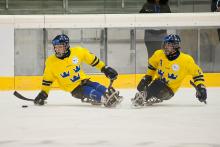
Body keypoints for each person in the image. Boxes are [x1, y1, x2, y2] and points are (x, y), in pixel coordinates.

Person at [34, 34, 123, 107]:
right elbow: (47, 80)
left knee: (97, 85)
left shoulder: (78, 51)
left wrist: (104, 68)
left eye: (60, 47)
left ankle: (109, 94)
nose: (57, 50)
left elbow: (93, 60)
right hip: (75, 89)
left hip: (85, 81)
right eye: (56, 47)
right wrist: (43, 93)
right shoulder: (51, 62)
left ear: (66, 46)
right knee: (90, 91)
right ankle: (104, 98)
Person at [131, 34, 207, 107]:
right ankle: (146, 95)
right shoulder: (159, 54)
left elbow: (197, 74)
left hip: (169, 91)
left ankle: (146, 96)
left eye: (169, 45)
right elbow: (152, 67)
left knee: (157, 84)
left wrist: (201, 87)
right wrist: (147, 78)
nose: (165, 47)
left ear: (176, 46)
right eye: (165, 45)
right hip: (156, 84)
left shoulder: (186, 60)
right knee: (141, 87)